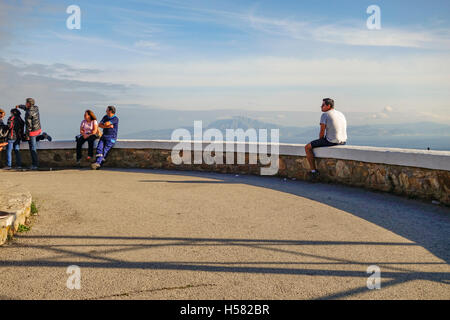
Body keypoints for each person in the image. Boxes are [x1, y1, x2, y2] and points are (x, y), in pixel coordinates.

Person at [305, 98, 347, 179]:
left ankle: (313, 172)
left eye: (323, 105)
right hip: (343, 141)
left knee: (307, 147)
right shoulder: (340, 114)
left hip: (332, 141)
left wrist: (320, 141)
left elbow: (322, 131)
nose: (321, 106)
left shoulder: (325, 114)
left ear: (328, 106)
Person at [16, 98, 41, 170]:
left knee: (32, 147)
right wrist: (19, 106)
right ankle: (42, 136)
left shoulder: (28, 113)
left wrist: (27, 135)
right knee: (33, 144)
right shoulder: (36, 108)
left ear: (29, 104)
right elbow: (25, 108)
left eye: (26, 103)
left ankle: (35, 164)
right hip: (38, 129)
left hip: (32, 131)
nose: (25, 104)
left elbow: (28, 125)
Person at [91, 106, 119, 170]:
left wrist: (106, 125)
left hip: (111, 137)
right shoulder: (105, 117)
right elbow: (100, 125)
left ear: (110, 111)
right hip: (104, 136)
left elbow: (106, 123)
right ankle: (98, 163)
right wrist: (107, 127)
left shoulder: (115, 119)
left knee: (105, 150)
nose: (106, 111)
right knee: (99, 148)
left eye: (107, 110)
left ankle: (98, 163)